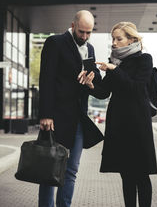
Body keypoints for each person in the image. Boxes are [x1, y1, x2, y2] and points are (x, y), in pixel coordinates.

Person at [79, 22, 157, 207]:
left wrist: (115, 69)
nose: (114, 42)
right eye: (113, 39)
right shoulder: (114, 62)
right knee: (126, 174)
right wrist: (90, 86)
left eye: (118, 39)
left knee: (141, 174)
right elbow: (104, 92)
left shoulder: (144, 59)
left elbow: (137, 88)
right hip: (119, 124)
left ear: (131, 40)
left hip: (138, 124)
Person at [38, 10, 103, 207]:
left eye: (88, 33)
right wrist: (46, 114)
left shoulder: (90, 50)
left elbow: (100, 90)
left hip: (78, 121)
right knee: (50, 170)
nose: (84, 37)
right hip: (56, 119)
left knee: (71, 171)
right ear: (73, 26)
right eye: (81, 32)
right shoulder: (55, 43)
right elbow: (46, 80)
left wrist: (92, 83)